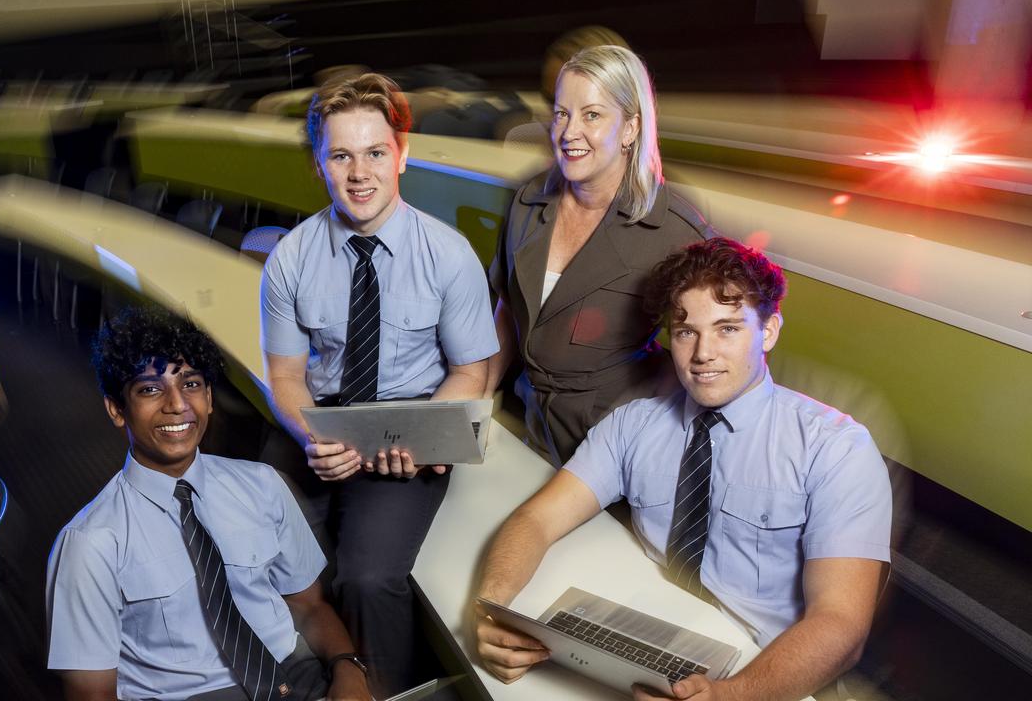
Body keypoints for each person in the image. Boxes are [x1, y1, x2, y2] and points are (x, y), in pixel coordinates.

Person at [475, 238, 892, 701]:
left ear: (769, 331)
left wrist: (728, 696)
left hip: (767, 668)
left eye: (728, 329)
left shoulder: (835, 447)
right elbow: (536, 520)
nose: (703, 354)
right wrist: (494, 610)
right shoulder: (634, 425)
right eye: (686, 331)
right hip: (657, 644)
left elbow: (841, 625)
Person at [260, 72, 498, 696]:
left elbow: (474, 371)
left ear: (402, 156)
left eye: (374, 152)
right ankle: (297, 675)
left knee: (367, 578)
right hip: (325, 418)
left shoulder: (449, 255)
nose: (359, 173)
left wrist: (422, 436)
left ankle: (385, 688)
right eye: (341, 155)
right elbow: (284, 375)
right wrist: (312, 434)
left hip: (409, 422)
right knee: (256, 539)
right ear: (319, 164)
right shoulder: (291, 258)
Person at [46, 306, 370, 701]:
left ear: (210, 397)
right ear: (117, 409)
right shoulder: (90, 542)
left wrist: (347, 668)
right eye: (149, 389)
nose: (177, 404)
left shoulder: (262, 485)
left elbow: (309, 605)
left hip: (293, 676)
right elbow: (91, 695)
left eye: (192, 384)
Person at [488, 44, 715, 466]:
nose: (569, 131)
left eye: (592, 114)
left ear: (630, 128)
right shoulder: (527, 202)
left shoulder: (677, 231)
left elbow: (718, 344)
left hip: (619, 444)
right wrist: (477, 401)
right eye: (561, 113)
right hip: (533, 426)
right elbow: (506, 310)